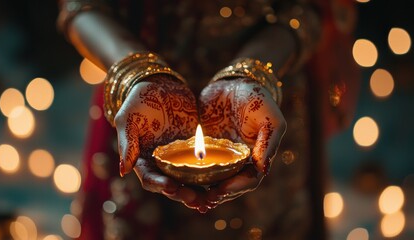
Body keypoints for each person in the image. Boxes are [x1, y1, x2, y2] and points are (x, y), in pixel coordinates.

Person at [57, 0, 359, 239]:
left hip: (253, 113)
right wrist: (136, 72)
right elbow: (81, 5)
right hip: (146, 114)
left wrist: (253, 71)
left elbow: (312, 9)